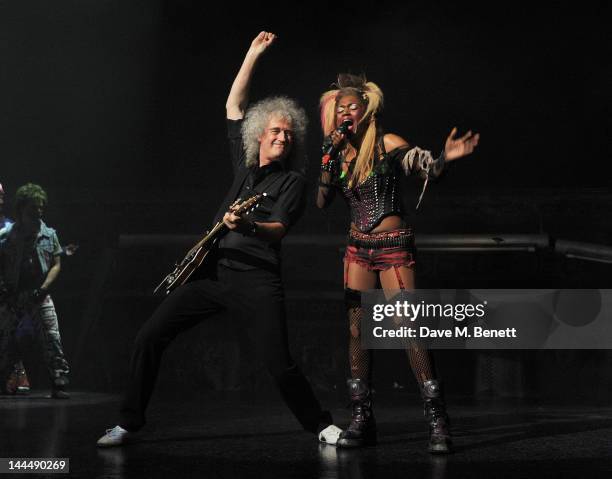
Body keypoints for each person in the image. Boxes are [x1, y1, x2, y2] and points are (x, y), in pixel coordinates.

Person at [97, 31, 341, 447]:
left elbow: (278, 230)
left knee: (279, 363)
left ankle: (321, 425)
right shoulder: (244, 168)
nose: (282, 138)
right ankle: (128, 422)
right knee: (149, 336)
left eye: (288, 134)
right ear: (260, 134)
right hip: (212, 273)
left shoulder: (292, 182)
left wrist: (245, 227)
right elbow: (234, 106)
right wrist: (251, 54)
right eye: (276, 131)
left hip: (257, 279)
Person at [317, 74, 479, 452]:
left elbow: (428, 169)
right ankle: (361, 419)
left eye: (352, 106)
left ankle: (438, 420)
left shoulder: (387, 143)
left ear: (366, 110)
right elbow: (322, 201)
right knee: (358, 332)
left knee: (409, 326)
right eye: (339, 107)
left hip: (393, 245)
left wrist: (444, 159)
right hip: (358, 247)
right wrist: (327, 154)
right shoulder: (338, 154)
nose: (345, 112)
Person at [0, 183, 70, 399]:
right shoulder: (7, 235)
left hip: (40, 295)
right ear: (22, 208)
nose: (38, 212)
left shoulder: (49, 234)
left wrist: (43, 288)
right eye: (33, 208)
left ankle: (59, 380)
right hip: (13, 295)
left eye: (41, 208)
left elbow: (56, 264)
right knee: (5, 339)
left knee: (51, 337)